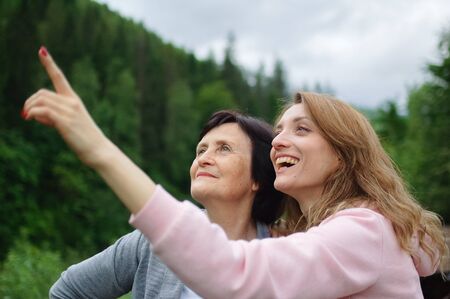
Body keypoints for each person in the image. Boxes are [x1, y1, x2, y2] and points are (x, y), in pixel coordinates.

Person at [25, 47, 448, 299]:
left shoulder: (361, 230)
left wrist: (100, 150)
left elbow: (234, 275)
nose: (280, 140)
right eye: (279, 130)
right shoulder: (327, 236)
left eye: (302, 129)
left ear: (343, 155)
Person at [47, 107, 285, 298]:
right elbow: (67, 291)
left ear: (257, 177)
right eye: (201, 150)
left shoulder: (282, 253)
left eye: (224, 149)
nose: (204, 159)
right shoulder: (152, 241)